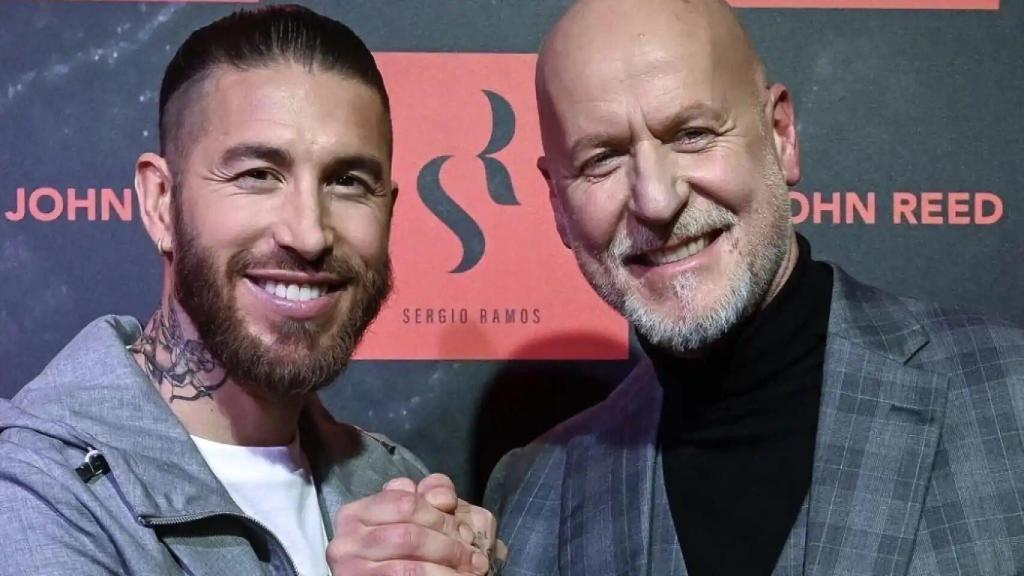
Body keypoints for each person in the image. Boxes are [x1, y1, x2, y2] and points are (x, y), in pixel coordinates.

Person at [484, 0, 1024, 574]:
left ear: (781, 135)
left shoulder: (1010, 396)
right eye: (602, 160)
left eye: (691, 134)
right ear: (557, 204)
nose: (656, 201)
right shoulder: (530, 497)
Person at [0, 5, 495, 576]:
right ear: (161, 203)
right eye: (258, 174)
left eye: (348, 182)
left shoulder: (394, 484)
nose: (309, 233)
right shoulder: (38, 489)